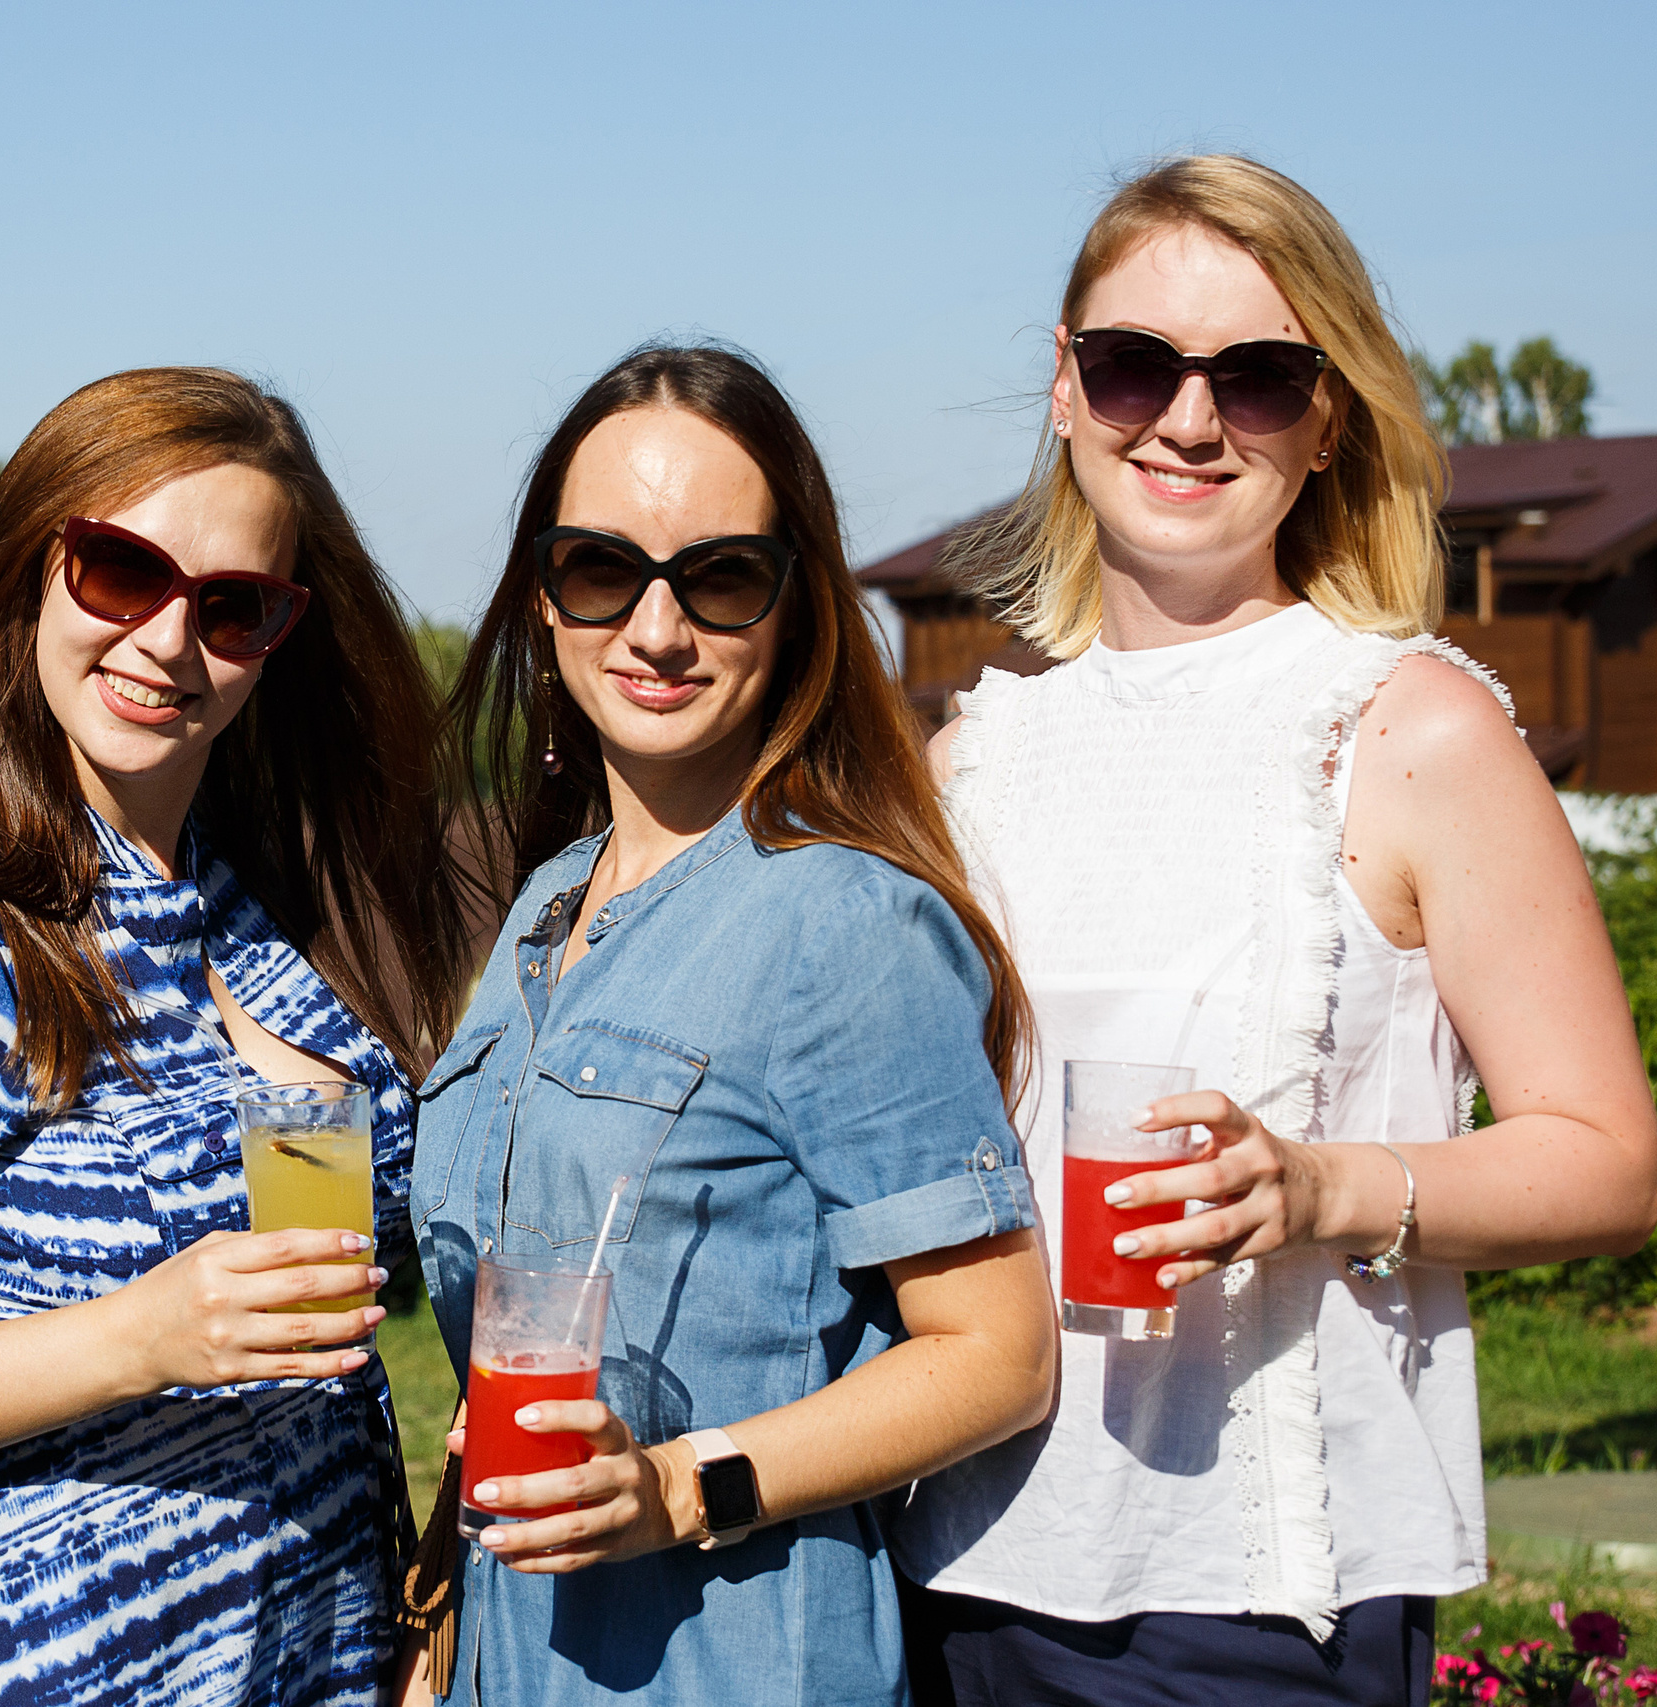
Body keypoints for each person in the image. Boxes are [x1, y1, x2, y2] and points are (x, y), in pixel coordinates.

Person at [893, 156, 1657, 1707]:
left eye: (1254, 380)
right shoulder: (966, 757)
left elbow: (1606, 1158)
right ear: (1063, 387)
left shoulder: (1410, 725)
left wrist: (1321, 1183)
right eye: (1134, 367)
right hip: (948, 1557)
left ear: (1327, 423)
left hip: (1244, 1610)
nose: (1187, 421)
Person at [0, 368, 470, 1707]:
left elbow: (308, 1346)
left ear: (284, 633)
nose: (169, 640)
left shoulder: (278, 924)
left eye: (233, 606)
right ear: (29, 565)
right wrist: (140, 1335)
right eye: (121, 570)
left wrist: (413, 1617)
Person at [402, 344, 1059, 1707]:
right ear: (542, 594)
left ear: (797, 604)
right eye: (601, 571)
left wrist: (678, 1488)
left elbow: (995, 1354)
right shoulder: (544, 902)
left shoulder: (848, 922)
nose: (655, 630)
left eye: (720, 577)